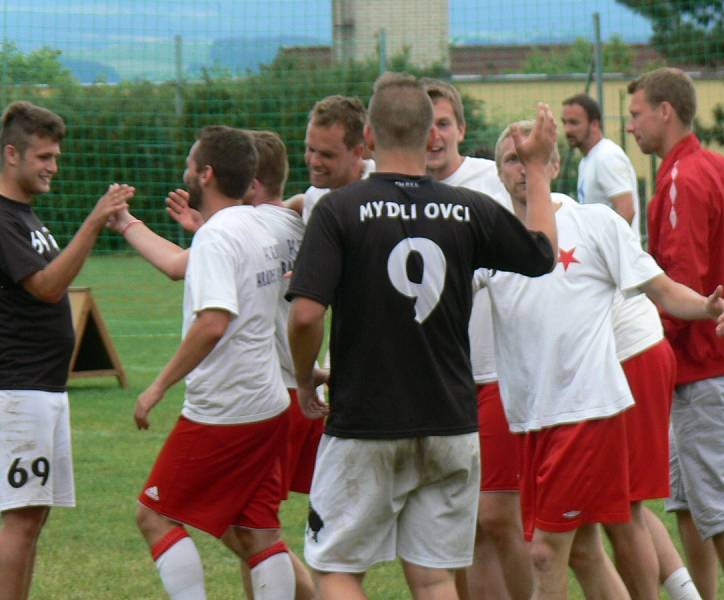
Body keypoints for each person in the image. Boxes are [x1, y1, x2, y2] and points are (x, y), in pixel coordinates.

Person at [287, 71, 558, 600]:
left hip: (365, 421)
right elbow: (542, 254)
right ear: (428, 137)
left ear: (367, 137)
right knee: (434, 577)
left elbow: (303, 317)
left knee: (338, 570)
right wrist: (537, 169)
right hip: (451, 423)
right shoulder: (469, 208)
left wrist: (303, 379)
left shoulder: (339, 208)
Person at [487, 119, 724, 600]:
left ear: (556, 164)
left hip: (587, 412)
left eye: (532, 156)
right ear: (497, 173)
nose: (522, 168)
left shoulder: (595, 222)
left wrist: (706, 306)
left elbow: (661, 288)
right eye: (512, 159)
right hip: (529, 419)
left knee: (545, 553)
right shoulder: (488, 236)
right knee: (583, 550)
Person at [109, 130, 318, 600]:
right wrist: (129, 225)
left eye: (190, 163)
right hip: (270, 401)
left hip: (226, 403)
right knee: (258, 534)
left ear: (206, 173)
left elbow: (212, 323)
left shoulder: (221, 235)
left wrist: (157, 386)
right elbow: (301, 204)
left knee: (154, 515)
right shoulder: (271, 223)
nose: (185, 169)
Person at [627, 67, 724, 600]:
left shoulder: (683, 177)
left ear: (666, 111)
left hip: (707, 364)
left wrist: (653, 344)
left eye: (637, 114)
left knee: (721, 506)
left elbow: (680, 277)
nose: (632, 125)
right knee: (687, 501)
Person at [562, 94, 700, 600]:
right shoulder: (571, 183)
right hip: (617, 353)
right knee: (617, 507)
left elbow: (623, 214)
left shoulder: (609, 159)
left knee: (625, 508)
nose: (568, 128)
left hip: (630, 346)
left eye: (574, 121)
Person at [0, 100, 133, 600]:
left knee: (33, 519)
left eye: (56, 156)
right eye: (44, 157)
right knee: (21, 521)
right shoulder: (3, 219)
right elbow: (49, 287)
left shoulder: (25, 216)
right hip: (19, 392)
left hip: (44, 391)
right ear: (12, 154)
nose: (53, 166)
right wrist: (95, 221)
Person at [422, 77, 531, 600]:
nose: (434, 136)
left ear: (461, 129)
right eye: (423, 126)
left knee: (498, 516)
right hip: (436, 383)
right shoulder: (397, 187)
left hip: (496, 376)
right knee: (457, 526)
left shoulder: (493, 181)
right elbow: (324, 192)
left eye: (443, 123)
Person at [286, 95, 375, 224]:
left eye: (327, 155)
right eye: (310, 149)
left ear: (357, 152)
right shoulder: (315, 197)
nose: (314, 162)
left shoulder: (383, 190)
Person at [561, 93, 640, 235]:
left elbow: (627, 210)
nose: (567, 130)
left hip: (616, 256)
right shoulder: (588, 159)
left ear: (594, 124)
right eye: (564, 122)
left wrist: (605, 250)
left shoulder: (607, 156)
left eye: (574, 123)